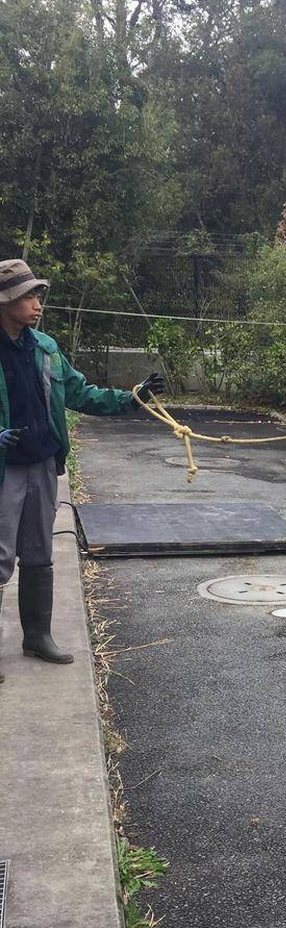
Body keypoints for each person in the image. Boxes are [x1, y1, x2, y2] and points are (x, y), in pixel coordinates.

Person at [0, 259, 165, 682]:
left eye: (38, 295)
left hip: (41, 464)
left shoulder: (45, 348)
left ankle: (37, 636)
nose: (37, 303)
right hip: (5, 470)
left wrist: (131, 398)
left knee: (39, 553)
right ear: (6, 302)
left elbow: (80, 391)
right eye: (29, 296)